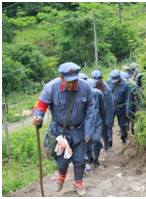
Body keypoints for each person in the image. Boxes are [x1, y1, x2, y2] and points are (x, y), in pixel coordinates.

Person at [32, 62, 98, 196]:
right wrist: (38, 116)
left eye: (75, 81)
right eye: (68, 82)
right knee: (62, 161)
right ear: (61, 77)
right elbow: (41, 104)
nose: (72, 85)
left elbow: (91, 108)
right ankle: (62, 175)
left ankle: (78, 182)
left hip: (79, 130)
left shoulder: (85, 87)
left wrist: (89, 130)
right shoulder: (51, 87)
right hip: (60, 132)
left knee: (80, 159)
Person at [106, 69, 132, 145]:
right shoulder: (108, 81)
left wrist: (128, 111)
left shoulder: (126, 84)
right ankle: (109, 140)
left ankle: (123, 137)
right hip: (111, 106)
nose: (115, 82)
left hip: (122, 106)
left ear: (120, 77)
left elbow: (128, 98)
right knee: (109, 123)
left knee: (123, 124)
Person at [91, 70, 114, 148]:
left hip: (103, 113)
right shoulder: (91, 87)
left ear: (101, 79)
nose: (96, 83)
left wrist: (108, 119)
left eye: (98, 81)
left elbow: (109, 106)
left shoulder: (106, 89)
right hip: (95, 114)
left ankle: (106, 145)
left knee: (105, 131)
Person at [87, 79, 106, 169]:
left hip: (97, 121)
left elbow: (102, 108)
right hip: (86, 123)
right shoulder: (82, 95)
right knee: (87, 142)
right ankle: (90, 158)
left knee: (96, 140)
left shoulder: (98, 93)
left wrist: (104, 119)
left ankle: (96, 159)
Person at [120, 71, 142, 136]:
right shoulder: (131, 83)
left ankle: (133, 131)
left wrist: (128, 112)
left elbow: (129, 99)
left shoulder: (129, 85)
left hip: (136, 103)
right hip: (136, 102)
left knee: (133, 116)